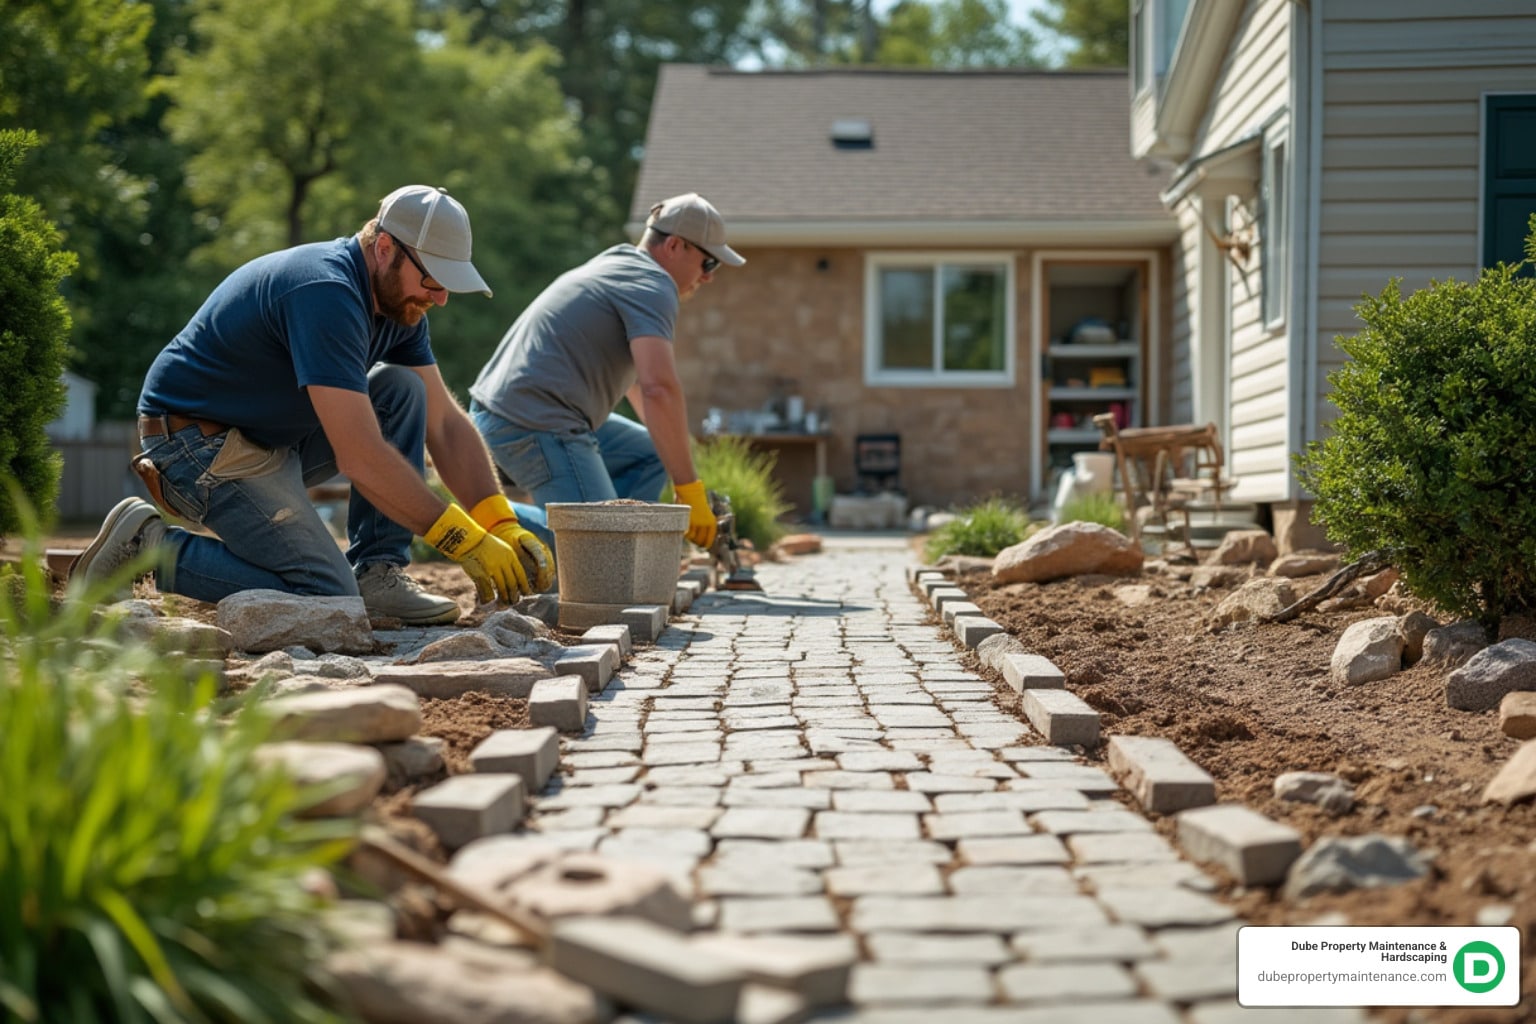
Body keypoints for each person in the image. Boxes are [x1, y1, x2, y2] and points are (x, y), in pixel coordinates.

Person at [69, 185, 553, 626]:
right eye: (431, 280)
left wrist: (499, 522)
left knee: (401, 388)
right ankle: (147, 547)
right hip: (194, 447)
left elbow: (444, 424)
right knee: (325, 596)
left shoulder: (400, 309)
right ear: (385, 248)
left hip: (265, 441)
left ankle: (378, 574)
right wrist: (460, 538)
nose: (441, 297)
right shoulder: (325, 291)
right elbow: (359, 456)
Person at [467, 192, 745, 556]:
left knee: (650, 454)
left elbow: (632, 382)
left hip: (515, 413)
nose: (707, 277)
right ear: (675, 246)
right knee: (595, 556)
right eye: (708, 263)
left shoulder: (619, 263)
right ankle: (473, 515)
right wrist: (688, 487)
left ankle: (622, 545)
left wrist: (679, 452)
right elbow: (658, 388)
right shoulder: (653, 284)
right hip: (532, 422)